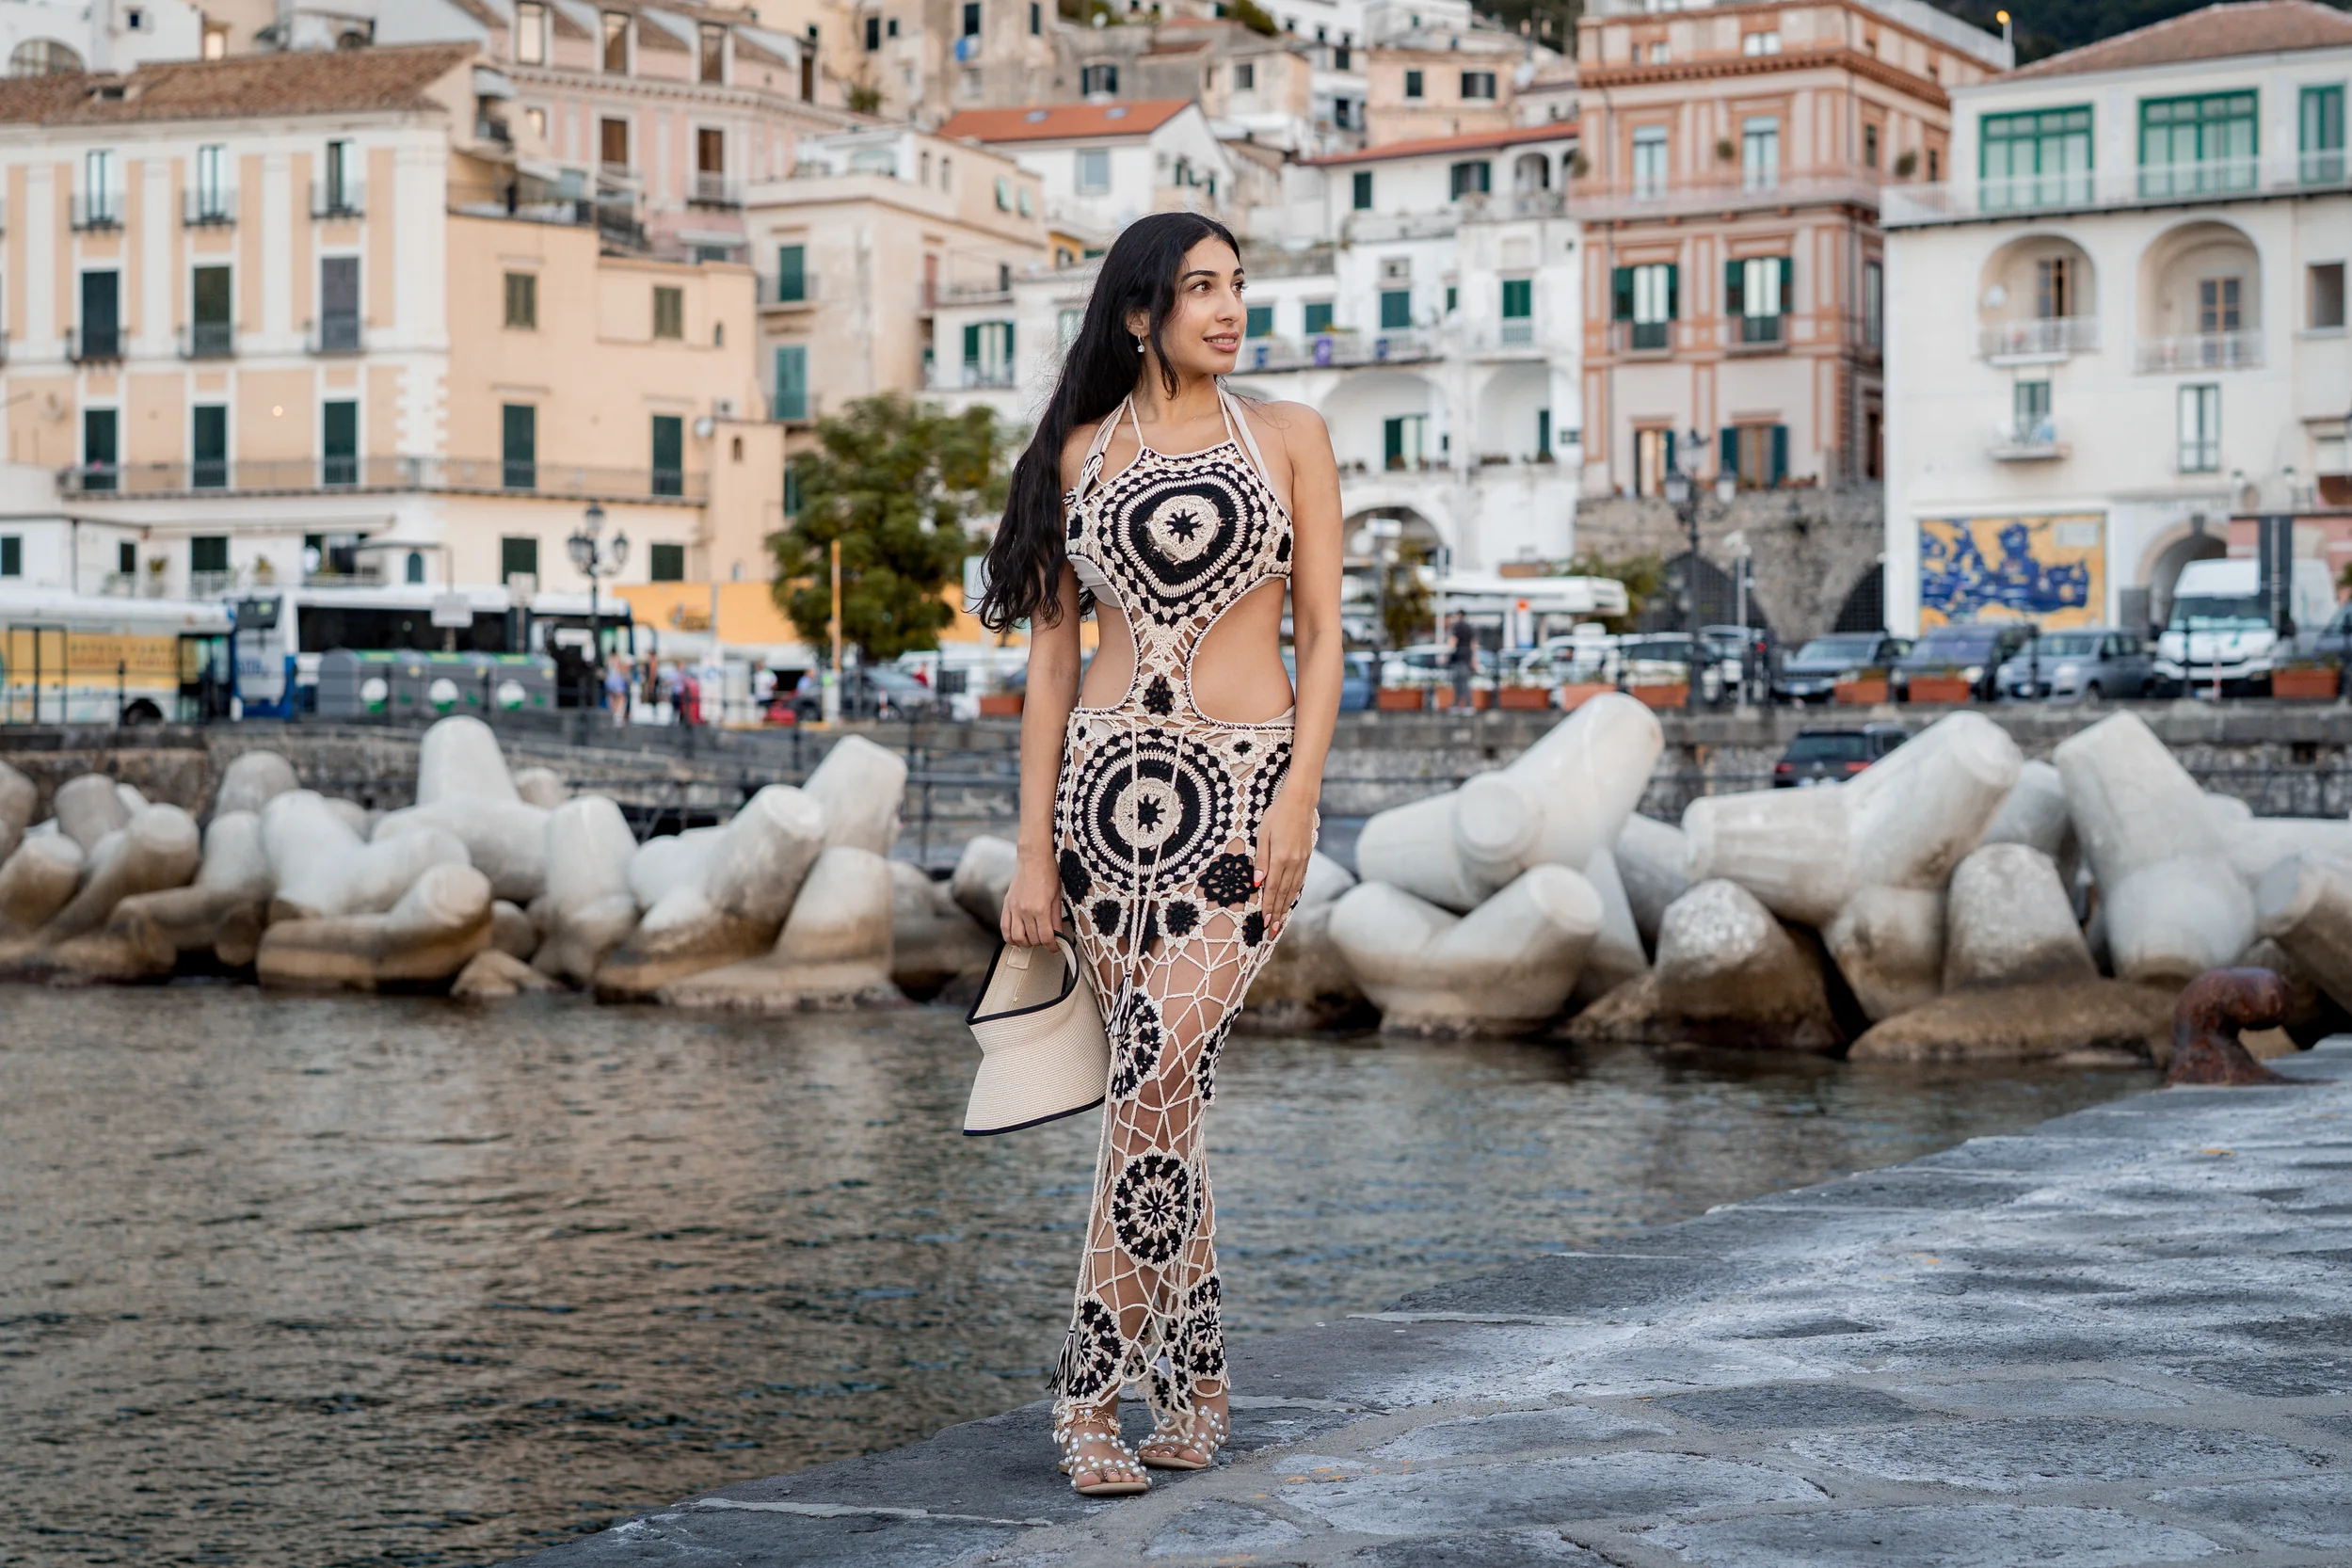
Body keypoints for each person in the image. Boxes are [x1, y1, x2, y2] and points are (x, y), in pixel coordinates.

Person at [978, 213, 1342, 1498]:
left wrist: (1298, 797)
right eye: (1200, 289)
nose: (1229, 308)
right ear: (1138, 315)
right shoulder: (1075, 453)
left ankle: (1084, 1397)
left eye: (1238, 284)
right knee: (1162, 1104)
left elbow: (1322, 636)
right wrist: (1031, 856)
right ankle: (1193, 1383)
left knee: (1148, 1073)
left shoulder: (1290, 437)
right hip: (1099, 811)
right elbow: (1048, 669)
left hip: (1238, 804)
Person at [1448, 610, 1479, 710]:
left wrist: (1446, 653)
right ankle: (1466, 704)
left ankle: (1461, 704)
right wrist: (1474, 659)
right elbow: (1473, 644)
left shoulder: (1457, 627)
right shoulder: (1469, 627)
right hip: (1467, 657)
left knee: (1459, 682)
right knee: (1465, 681)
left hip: (1459, 657)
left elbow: (1453, 641)